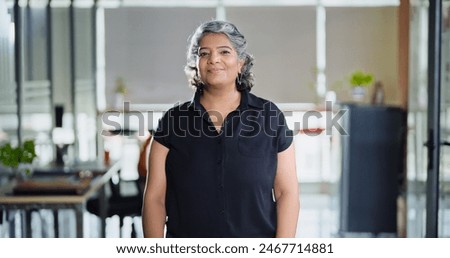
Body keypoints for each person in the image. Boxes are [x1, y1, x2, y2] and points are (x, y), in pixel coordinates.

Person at [142, 20, 299, 238]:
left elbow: (287, 193)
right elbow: (154, 198)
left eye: (224, 52)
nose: (213, 59)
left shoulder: (270, 117)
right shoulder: (172, 121)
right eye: (204, 53)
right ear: (196, 64)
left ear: (241, 63)